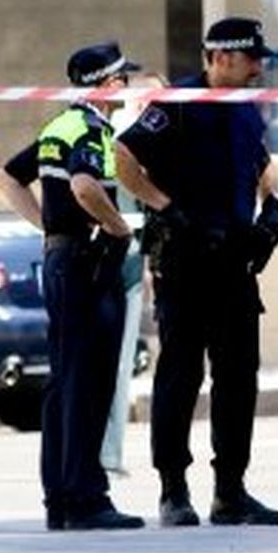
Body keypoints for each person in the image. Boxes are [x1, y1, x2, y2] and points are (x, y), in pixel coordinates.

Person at [115, 17, 278, 528]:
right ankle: (173, 490)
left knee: (238, 378)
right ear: (221, 57)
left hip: (235, 262)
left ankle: (230, 492)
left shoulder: (245, 107)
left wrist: (271, 207)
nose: (258, 68)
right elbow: (124, 157)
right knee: (181, 376)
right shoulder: (178, 103)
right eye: (251, 58)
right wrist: (165, 207)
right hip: (186, 262)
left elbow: (262, 162)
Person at [0, 41, 145, 531]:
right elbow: (84, 186)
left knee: (65, 382)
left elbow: (8, 179)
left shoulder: (58, 126)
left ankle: (60, 498)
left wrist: (47, 227)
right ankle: (86, 498)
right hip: (86, 263)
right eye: (123, 78)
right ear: (108, 83)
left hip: (62, 259)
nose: (126, 86)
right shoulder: (91, 129)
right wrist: (119, 228)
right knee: (90, 381)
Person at [99, 72, 166, 478]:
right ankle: (104, 455)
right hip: (117, 261)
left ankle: (104, 453)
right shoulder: (126, 133)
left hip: (123, 260)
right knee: (113, 363)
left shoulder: (110, 130)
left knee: (114, 362)